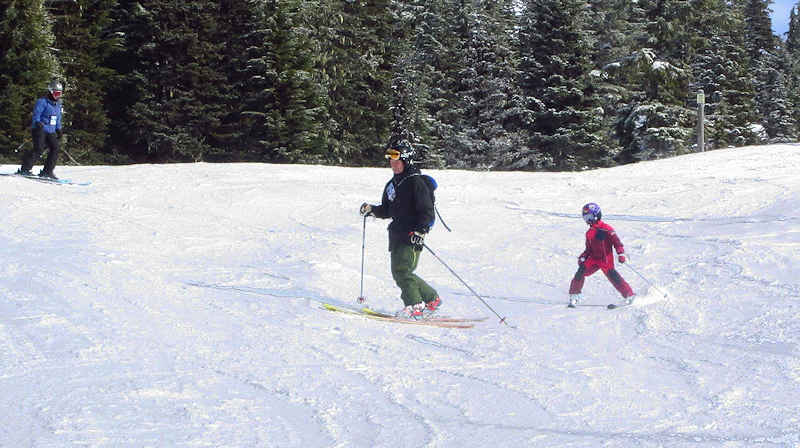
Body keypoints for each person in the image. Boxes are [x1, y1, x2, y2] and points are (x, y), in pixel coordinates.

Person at [360, 139, 442, 318]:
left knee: (402, 271)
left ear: (406, 160)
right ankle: (431, 298)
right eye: (390, 159)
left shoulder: (416, 183)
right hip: (396, 234)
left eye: (397, 159)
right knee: (401, 272)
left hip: (412, 234)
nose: (393, 163)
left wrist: (421, 231)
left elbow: (427, 211)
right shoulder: (392, 184)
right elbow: (387, 209)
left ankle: (415, 305)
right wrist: (372, 210)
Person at [568, 203, 635, 307]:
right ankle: (574, 296)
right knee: (580, 271)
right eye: (585, 218)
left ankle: (629, 295)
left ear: (597, 215)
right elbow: (588, 249)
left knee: (613, 276)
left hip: (605, 260)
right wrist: (583, 256)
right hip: (593, 259)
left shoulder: (607, 229)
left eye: (589, 217)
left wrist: (621, 254)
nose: (588, 220)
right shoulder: (589, 233)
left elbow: (617, 243)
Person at [18, 79, 64, 179]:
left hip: (51, 130)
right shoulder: (42, 101)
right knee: (39, 148)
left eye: (59, 94)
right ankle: (25, 169)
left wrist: (59, 129)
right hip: (40, 128)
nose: (58, 96)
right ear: (51, 91)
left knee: (55, 148)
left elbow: (58, 118)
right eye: (56, 93)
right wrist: (37, 122)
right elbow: (36, 114)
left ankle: (47, 171)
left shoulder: (58, 105)